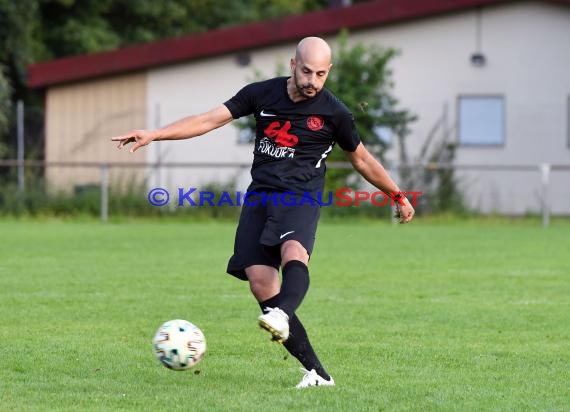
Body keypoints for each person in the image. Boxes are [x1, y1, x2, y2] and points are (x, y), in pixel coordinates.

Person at [112, 36, 415, 388]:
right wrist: (155, 134)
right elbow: (208, 120)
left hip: (300, 196)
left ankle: (283, 313)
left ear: (328, 71)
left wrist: (397, 194)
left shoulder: (336, 113)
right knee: (260, 283)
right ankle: (318, 374)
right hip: (260, 197)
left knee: (293, 254)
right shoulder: (261, 93)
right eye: (306, 71)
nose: (312, 81)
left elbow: (361, 159)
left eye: (320, 74)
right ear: (292, 64)